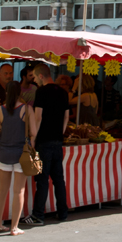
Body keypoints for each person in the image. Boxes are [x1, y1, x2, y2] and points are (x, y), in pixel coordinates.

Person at [0, 81, 38, 236]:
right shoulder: (27, 109)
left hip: (3, 152)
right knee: (18, 191)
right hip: (21, 154)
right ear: (20, 93)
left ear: (6, 92)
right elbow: (34, 132)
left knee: (2, 190)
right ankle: (14, 227)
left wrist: (2, 133)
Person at [25, 62, 69, 227]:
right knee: (59, 179)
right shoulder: (63, 92)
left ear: (41, 76)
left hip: (43, 141)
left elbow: (38, 117)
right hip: (58, 141)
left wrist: (33, 137)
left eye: (35, 77)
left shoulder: (41, 92)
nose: (35, 80)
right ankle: (63, 212)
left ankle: (38, 215)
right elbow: (66, 117)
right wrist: (60, 133)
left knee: (42, 180)